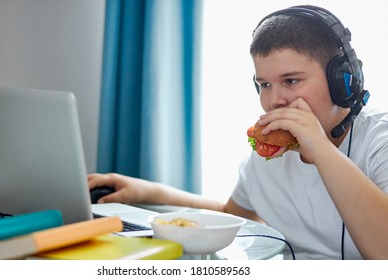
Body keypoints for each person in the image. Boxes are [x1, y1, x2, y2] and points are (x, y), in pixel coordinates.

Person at [88, 5, 388, 260]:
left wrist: (320, 149)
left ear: (343, 80)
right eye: (264, 85)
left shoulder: (379, 141)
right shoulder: (269, 154)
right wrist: (148, 191)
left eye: (292, 81)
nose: (274, 100)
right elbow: (233, 213)